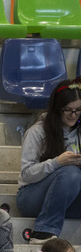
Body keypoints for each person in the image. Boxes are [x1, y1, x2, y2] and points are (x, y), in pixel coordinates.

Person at [17, 77, 81, 242]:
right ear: (57, 108)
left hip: (68, 198)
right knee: (70, 173)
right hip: (31, 197)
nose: (74, 115)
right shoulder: (37, 132)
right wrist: (57, 162)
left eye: (78, 110)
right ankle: (42, 231)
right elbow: (27, 174)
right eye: (68, 110)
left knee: (73, 174)